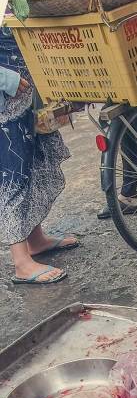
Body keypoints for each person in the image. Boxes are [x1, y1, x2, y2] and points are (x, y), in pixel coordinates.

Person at [0, 26, 78, 285]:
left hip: (24, 93)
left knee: (32, 163)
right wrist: (5, 79)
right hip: (5, 101)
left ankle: (35, 239)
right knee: (13, 176)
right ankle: (21, 261)